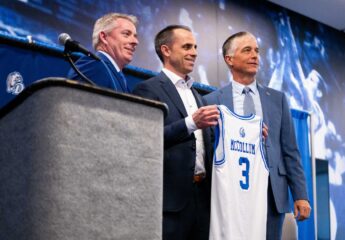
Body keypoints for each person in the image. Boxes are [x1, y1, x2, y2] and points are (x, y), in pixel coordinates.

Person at [204, 31, 311, 240]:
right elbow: (208, 150)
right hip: (229, 193)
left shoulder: (277, 100)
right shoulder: (211, 101)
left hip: (271, 193)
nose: (255, 56)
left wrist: (301, 195)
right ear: (230, 59)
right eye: (247, 50)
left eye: (256, 51)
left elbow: (290, 152)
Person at [132, 25, 219, 240]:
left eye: (196, 47)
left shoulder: (198, 95)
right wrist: (190, 123)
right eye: (187, 46)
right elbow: (147, 139)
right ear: (166, 50)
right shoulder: (148, 89)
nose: (194, 52)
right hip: (171, 204)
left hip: (203, 200)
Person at [67, 13, 139, 93]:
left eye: (135, 36)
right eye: (126, 34)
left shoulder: (116, 74)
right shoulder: (93, 66)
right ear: (104, 37)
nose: (135, 41)